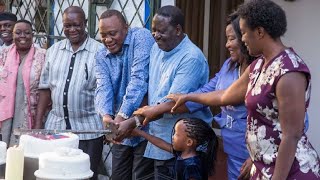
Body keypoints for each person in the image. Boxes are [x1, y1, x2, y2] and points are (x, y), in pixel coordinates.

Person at [167, 0, 320, 179]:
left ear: (260, 32)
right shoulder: (259, 65)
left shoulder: (289, 71)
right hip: (262, 166)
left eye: (244, 33)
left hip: (288, 171)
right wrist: (188, 97)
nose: (243, 39)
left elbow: (291, 135)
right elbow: (225, 95)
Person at [114, 5, 213, 179]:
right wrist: (133, 119)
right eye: (153, 30)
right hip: (157, 141)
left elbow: (173, 106)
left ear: (177, 30)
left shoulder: (191, 57)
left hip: (182, 149)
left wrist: (132, 122)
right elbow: (151, 91)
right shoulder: (156, 49)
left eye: (161, 31)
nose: (156, 35)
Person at [35, 6, 104, 179]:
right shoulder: (53, 51)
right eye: (67, 25)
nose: (72, 29)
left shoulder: (100, 52)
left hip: (88, 130)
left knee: (85, 176)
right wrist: (38, 124)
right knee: (55, 175)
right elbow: (44, 88)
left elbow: (106, 91)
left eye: (76, 25)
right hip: (56, 129)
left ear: (85, 24)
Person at [94, 9, 155, 180]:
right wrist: (107, 117)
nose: (107, 40)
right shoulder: (100, 56)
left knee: (141, 176)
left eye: (113, 34)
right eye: (103, 35)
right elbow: (102, 88)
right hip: (121, 131)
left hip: (146, 126)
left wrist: (121, 116)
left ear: (126, 28)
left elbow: (139, 80)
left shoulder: (141, 37)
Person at [0, 20, 46, 146]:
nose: (22, 36)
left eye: (27, 33)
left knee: (26, 153)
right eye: (18, 33)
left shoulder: (42, 55)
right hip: (5, 115)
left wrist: (38, 123)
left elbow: (45, 90)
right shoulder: (3, 54)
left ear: (33, 34)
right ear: (13, 34)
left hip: (32, 114)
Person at [132, 118, 218, 180]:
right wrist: (141, 133)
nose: (172, 137)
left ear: (189, 142)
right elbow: (160, 143)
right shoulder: (181, 154)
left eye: (176, 134)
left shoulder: (192, 166)